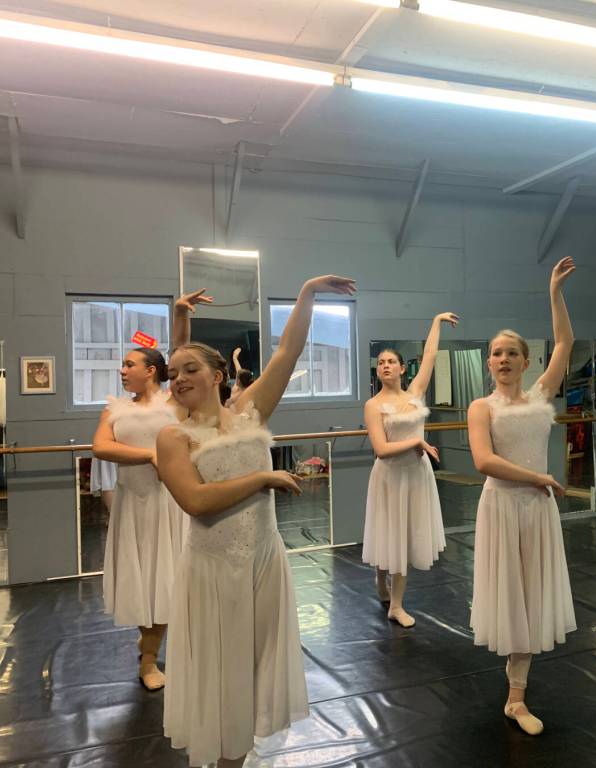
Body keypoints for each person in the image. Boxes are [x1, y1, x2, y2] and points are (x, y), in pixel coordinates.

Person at [156, 275, 356, 768]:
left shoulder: (250, 412)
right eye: (172, 373)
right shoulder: (172, 437)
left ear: (218, 375)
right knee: (220, 670)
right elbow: (196, 502)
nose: (177, 379)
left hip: (263, 561)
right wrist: (262, 478)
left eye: (188, 370)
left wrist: (306, 292)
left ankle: (238, 758)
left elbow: (288, 351)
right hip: (213, 570)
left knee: (255, 663)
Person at [467, 257, 578, 736]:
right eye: (497, 353)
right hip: (505, 504)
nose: (504, 359)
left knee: (532, 595)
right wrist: (538, 477)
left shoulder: (539, 396)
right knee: (512, 595)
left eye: (513, 352)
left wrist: (554, 295)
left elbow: (567, 343)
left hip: (537, 507)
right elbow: (484, 462)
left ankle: (517, 697)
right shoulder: (480, 406)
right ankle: (516, 697)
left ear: (527, 361)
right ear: (489, 362)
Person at [91, 288, 212, 691]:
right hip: (132, 504)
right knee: (142, 583)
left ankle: (149, 657)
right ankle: (148, 650)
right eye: (122, 365)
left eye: (129, 364)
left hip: (166, 505)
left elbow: (181, 352)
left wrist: (180, 313)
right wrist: (149, 455)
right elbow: (101, 447)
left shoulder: (173, 404)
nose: (122, 371)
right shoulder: (114, 408)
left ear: (152, 371)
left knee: (165, 581)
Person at [363, 312, 458, 626]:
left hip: (416, 477)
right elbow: (381, 449)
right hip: (390, 477)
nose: (386, 365)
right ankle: (387, 592)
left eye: (391, 361)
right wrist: (416, 444)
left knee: (403, 536)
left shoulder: (415, 394)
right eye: (381, 362)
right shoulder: (374, 405)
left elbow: (430, 355)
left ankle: (396, 601)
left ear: (403, 368)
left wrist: (435, 322)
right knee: (388, 534)